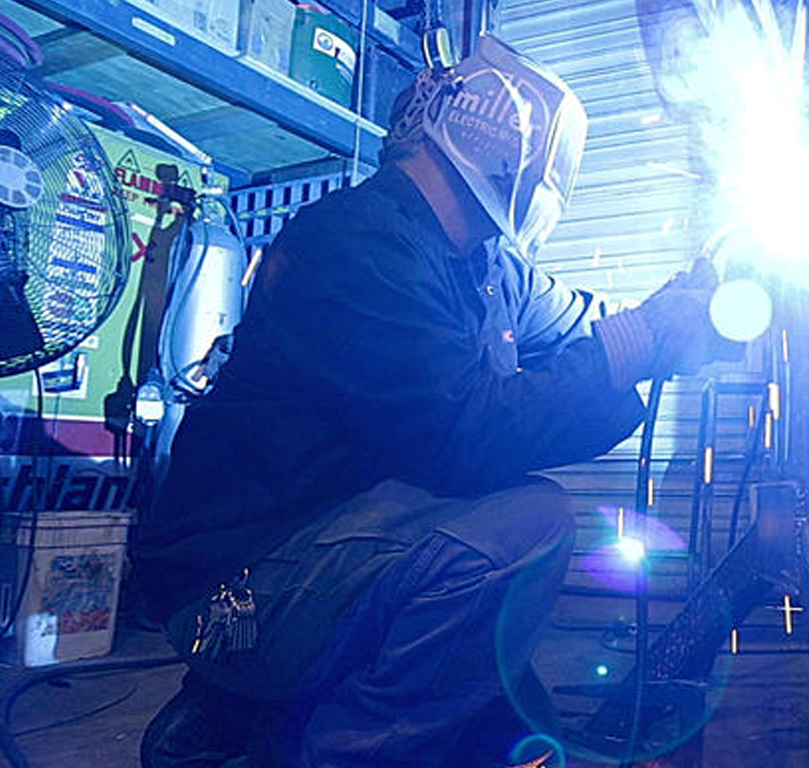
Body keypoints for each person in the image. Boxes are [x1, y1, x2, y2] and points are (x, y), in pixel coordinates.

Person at [134, 34, 721, 768]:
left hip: (318, 551)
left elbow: (581, 322)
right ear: (520, 159)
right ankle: (321, 745)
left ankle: (244, 709)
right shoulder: (359, 245)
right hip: (233, 586)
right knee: (523, 523)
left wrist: (682, 310)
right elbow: (467, 432)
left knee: (502, 715)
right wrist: (640, 342)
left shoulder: (484, 264)